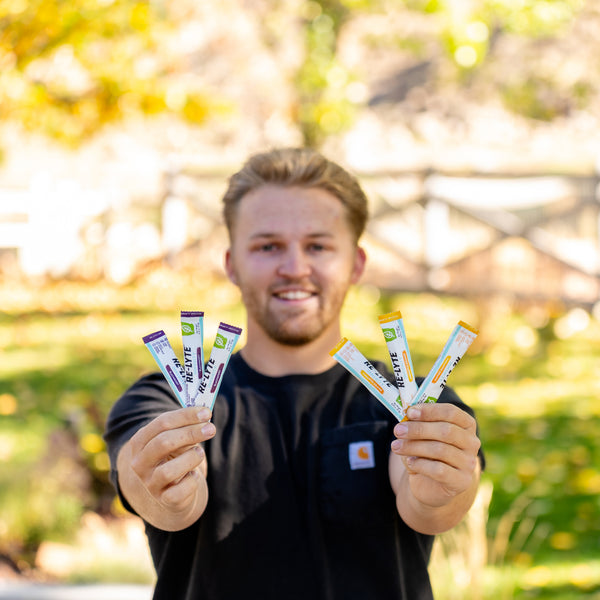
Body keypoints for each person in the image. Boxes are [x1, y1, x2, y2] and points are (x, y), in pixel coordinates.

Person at [104, 147, 483, 600]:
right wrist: (163, 488)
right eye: (268, 246)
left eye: (318, 246)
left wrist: (441, 489)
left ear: (356, 264)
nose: (295, 268)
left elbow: (432, 507)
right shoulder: (168, 398)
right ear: (231, 264)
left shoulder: (418, 403)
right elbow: (147, 486)